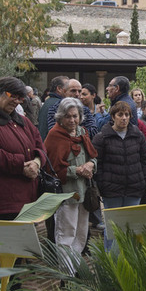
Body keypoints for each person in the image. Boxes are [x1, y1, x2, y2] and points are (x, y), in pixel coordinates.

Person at [0, 76, 47, 220]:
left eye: (20, 98)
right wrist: (22, 166)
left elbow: (40, 145)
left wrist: (36, 162)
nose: (17, 101)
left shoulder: (23, 121)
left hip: (27, 200)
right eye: (13, 96)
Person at [45, 97, 97, 272]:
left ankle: (74, 268)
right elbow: (52, 169)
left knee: (81, 233)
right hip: (66, 194)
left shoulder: (82, 132)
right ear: (60, 117)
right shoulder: (54, 136)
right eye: (68, 116)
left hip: (84, 192)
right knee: (66, 233)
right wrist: (77, 170)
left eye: (75, 116)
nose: (72, 120)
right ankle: (65, 273)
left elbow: (93, 156)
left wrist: (91, 165)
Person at [92, 100, 146, 249]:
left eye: (127, 115)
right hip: (112, 190)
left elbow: (145, 159)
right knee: (113, 228)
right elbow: (96, 162)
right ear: (112, 116)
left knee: (131, 227)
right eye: (120, 115)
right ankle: (111, 263)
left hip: (134, 188)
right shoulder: (102, 138)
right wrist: (102, 184)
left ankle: (128, 262)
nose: (124, 118)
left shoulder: (137, 135)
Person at [38, 75, 69, 139]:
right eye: (69, 88)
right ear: (59, 89)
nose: (77, 94)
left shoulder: (47, 102)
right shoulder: (59, 104)